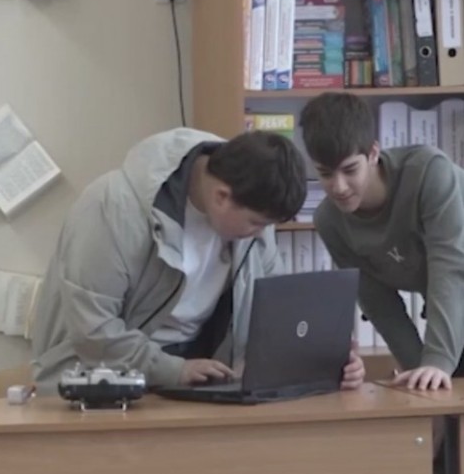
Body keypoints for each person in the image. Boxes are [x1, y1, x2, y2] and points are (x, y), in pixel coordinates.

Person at [29, 127, 366, 393]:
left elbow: (276, 318)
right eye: (256, 223)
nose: (260, 234)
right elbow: (93, 331)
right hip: (100, 382)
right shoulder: (112, 208)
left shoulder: (251, 209)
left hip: (197, 380)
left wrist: (324, 359)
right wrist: (173, 371)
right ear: (221, 196)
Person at [299, 92, 464, 391]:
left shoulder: (429, 173)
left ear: (373, 153)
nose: (339, 187)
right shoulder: (329, 221)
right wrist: (420, 372)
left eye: (350, 170)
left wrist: (438, 361)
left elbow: (450, 271)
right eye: (325, 173)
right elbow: (379, 305)